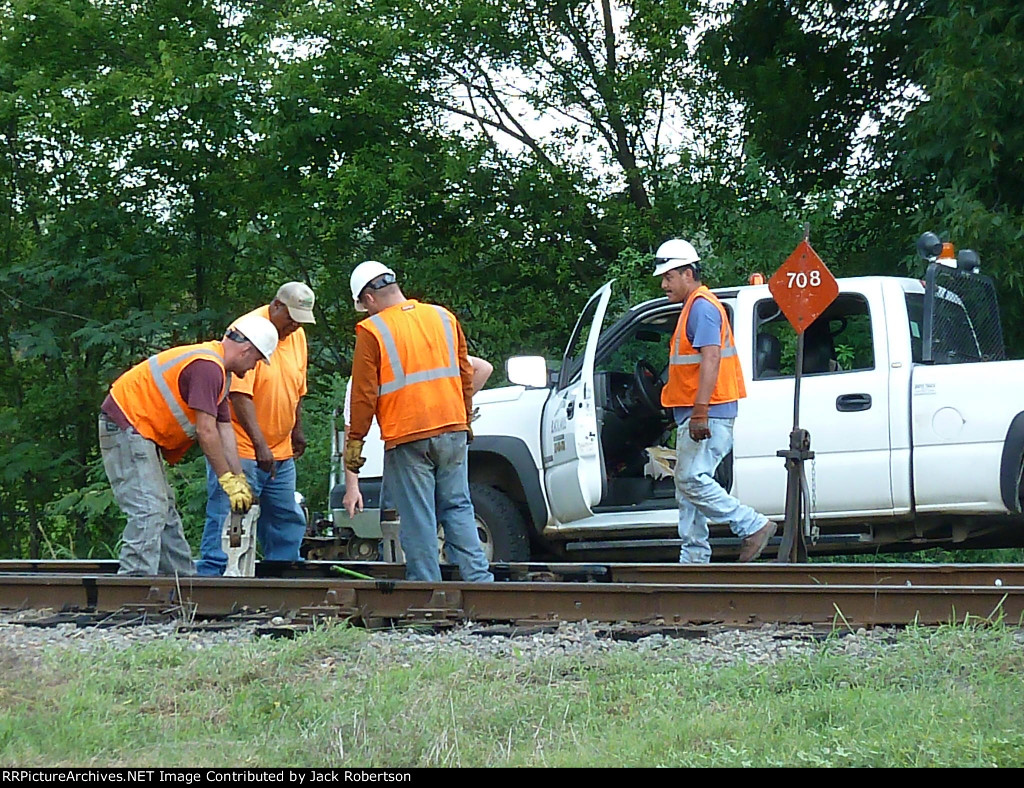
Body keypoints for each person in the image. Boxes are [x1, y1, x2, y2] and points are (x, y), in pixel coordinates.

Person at [344, 260, 493, 583]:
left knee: (418, 517)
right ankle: (480, 583)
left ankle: (428, 590)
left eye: (364, 306)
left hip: (408, 434)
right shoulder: (442, 316)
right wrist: (463, 417)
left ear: (369, 298)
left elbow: (363, 394)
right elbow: (465, 373)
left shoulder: (372, 330)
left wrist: (355, 442)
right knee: (458, 506)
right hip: (452, 427)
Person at [99, 315, 279, 576]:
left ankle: (182, 583)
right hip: (127, 424)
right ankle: (133, 586)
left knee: (164, 511)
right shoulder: (207, 367)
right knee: (149, 509)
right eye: (256, 360)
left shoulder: (219, 371)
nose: (253, 367)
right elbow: (206, 432)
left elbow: (224, 428)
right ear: (246, 350)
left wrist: (239, 478)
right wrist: (226, 480)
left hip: (140, 430)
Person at [655, 238, 776, 563]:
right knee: (688, 489)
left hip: (710, 412)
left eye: (669, 276)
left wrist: (700, 411)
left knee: (690, 479)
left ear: (688, 273)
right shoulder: (693, 307)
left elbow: (711, 359)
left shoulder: (703, 308)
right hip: (699, 412)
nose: (664, 284)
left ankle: (752, 525)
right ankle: (694, 558)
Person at [196, 282, 316, 576]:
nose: (294, 327)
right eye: (290, 319)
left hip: (280, 449)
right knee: (230, 513)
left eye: (300, 321)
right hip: (245, 448)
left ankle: (281, 573)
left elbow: (296, 386)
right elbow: (238, 394)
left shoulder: (297, 336)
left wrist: (295, 429)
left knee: (285, 515)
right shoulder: (250, 331)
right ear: (276, 306)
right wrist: (260, 444)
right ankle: (215, 574)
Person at [341, 355, 494, 519]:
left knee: (408, 517)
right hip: (450, 436)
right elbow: (484, 369)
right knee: (456, 508)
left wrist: (352, 487)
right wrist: (457, 409)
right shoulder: (433, 348)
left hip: (406, 446)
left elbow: (352, 434)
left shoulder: (369, 368)